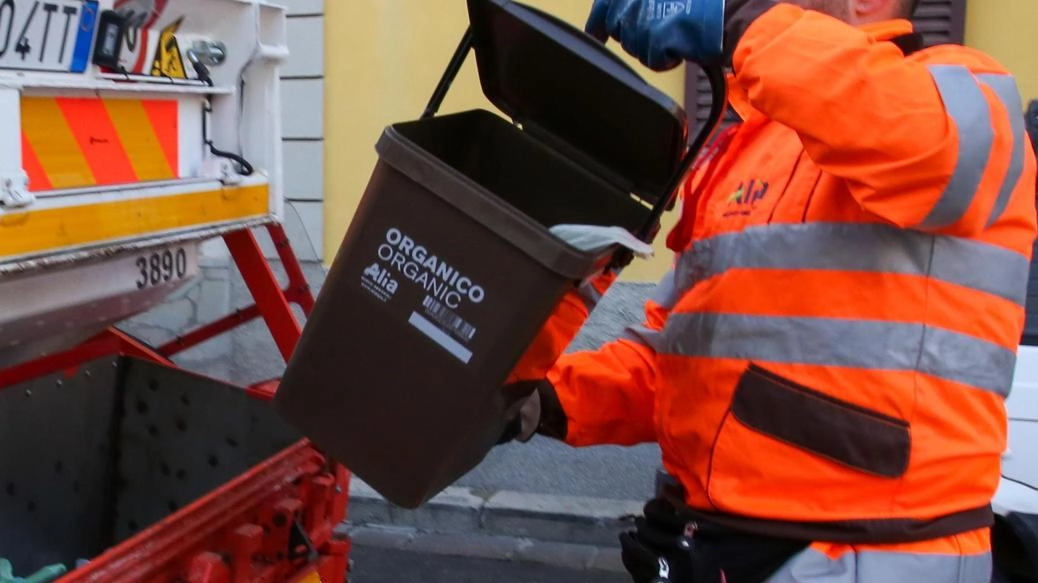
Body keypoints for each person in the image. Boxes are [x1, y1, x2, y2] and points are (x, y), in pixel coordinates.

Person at [499, 0, 1038, 582]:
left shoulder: (965, 97)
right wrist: (547, 404)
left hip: (875, 557)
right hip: (713, 545)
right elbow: (681, 359)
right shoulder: (741, 150)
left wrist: (734, 19)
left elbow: (894, 125)